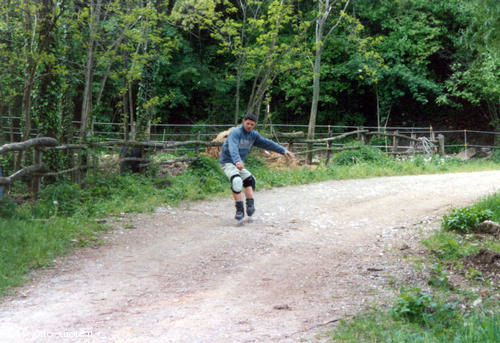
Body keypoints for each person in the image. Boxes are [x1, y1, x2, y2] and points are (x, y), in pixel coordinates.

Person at [219, 113, 295, 222]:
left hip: (238, 164)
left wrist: (283, 150)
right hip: (228, 162)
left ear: (254, 125)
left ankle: (250, 206)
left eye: (252, 124)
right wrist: (237, 160)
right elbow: (233, 147)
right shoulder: (235, 133)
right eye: (247, 123)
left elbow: (267, 143)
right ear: (243, 122)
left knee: (250, 180)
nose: (249, 126)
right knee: (236, 181)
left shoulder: (253, 135)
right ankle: (240, 210)